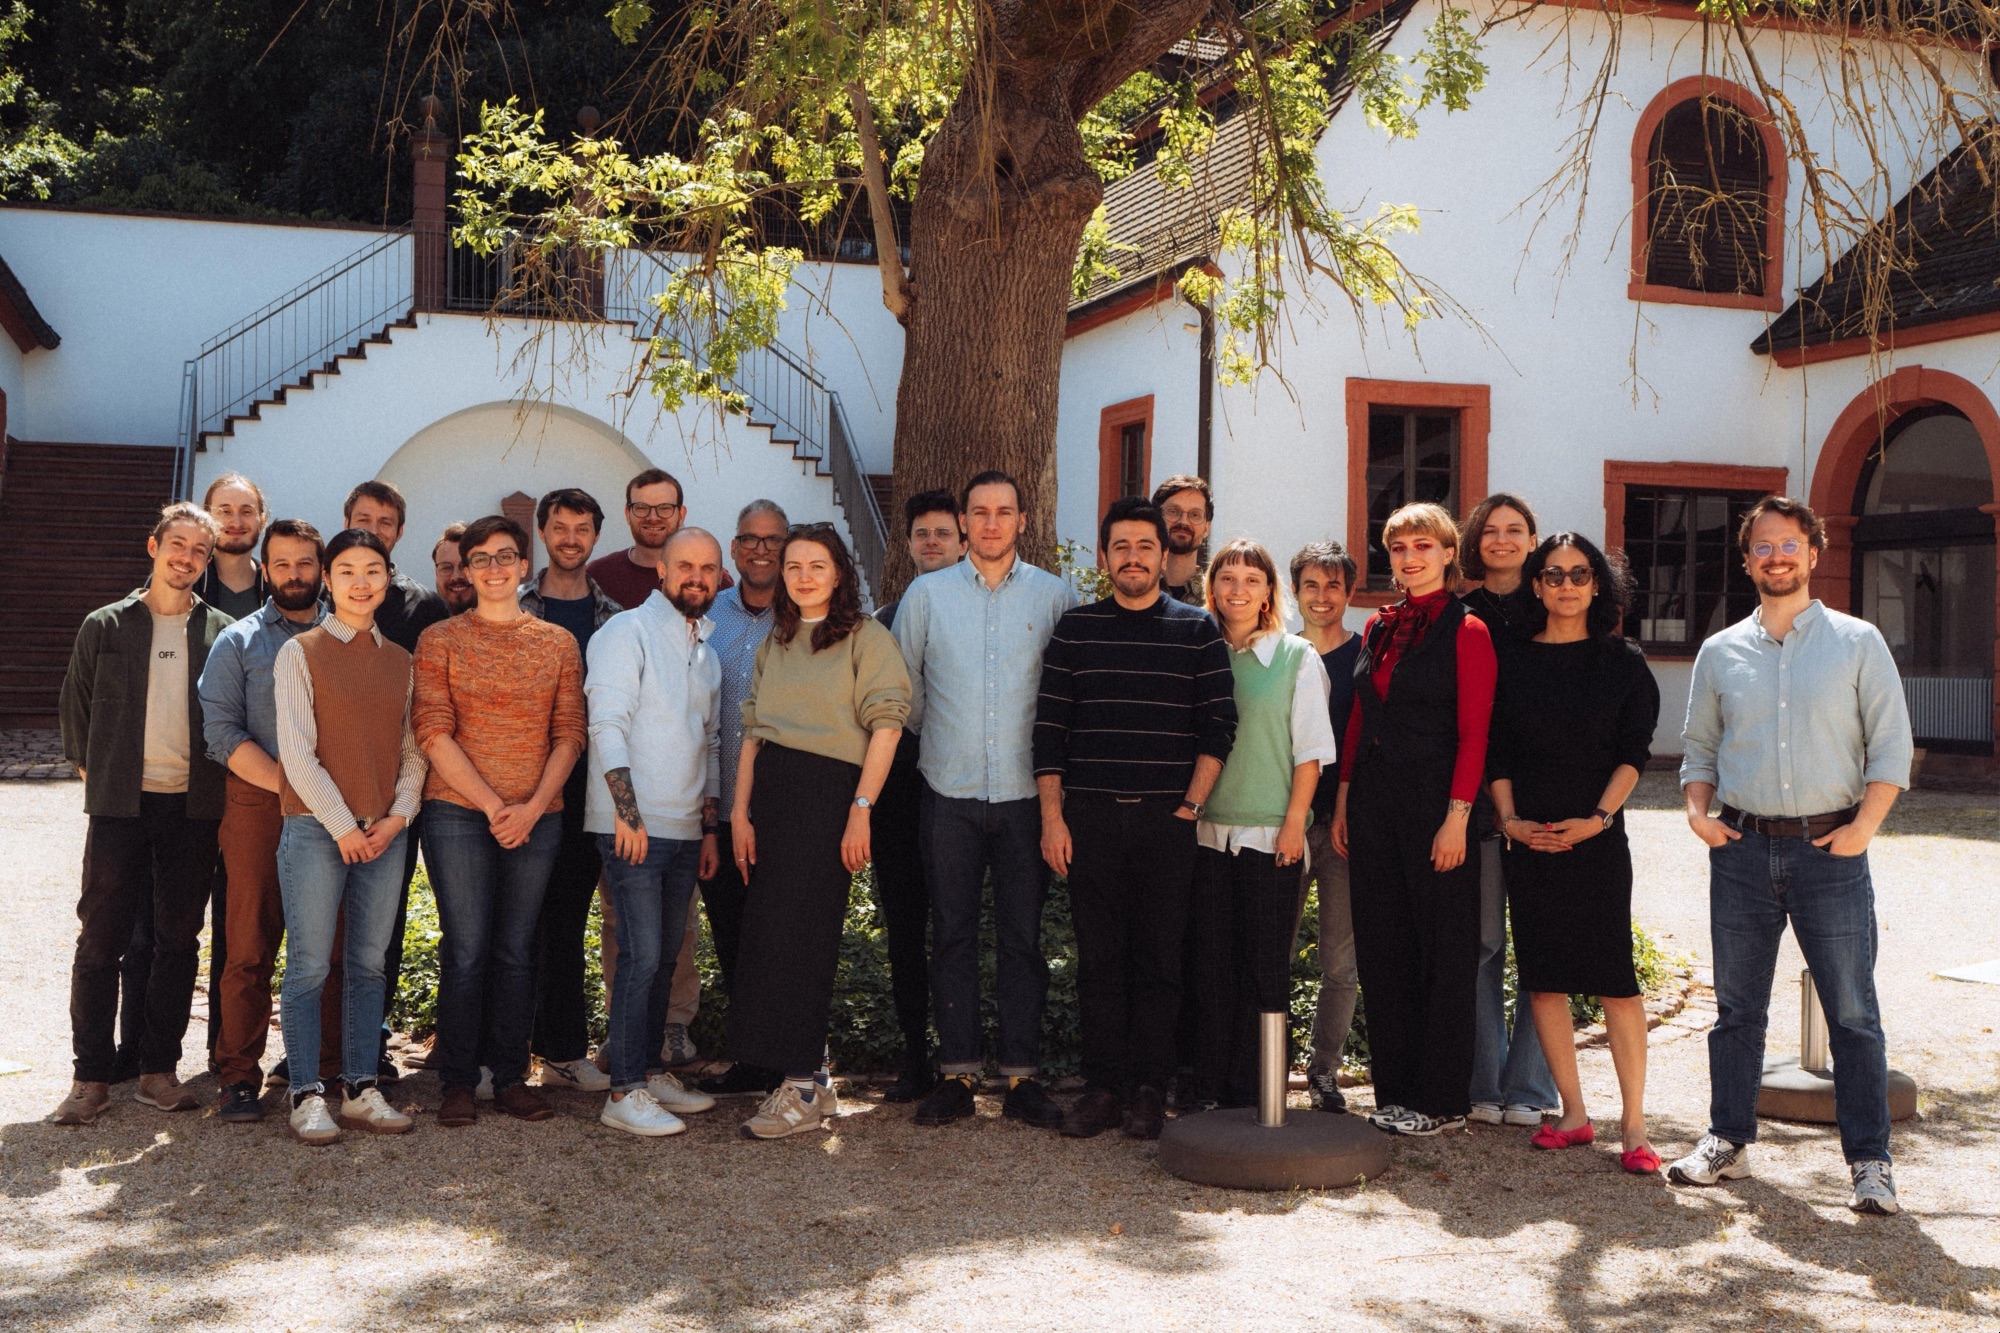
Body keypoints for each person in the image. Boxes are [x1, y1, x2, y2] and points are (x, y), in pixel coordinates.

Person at [1669, 496, 1914, 1216]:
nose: (1775, 556)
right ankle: (1727, 1140)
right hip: (1740, 850)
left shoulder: (1858, 642)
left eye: (1788, 544)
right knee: (1736, 1010)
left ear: (1813, 553)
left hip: (1831, 851)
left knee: (1853, 1013)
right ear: (1747, 559)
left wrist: (1864, 827)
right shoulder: (1720, 651)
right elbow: (1699, 747)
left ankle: (1869, 1162)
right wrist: (1697, 814)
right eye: (1762, 546)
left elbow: (1891, 745)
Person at [1035, 496, 1236, 1140]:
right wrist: (1053, 819)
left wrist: (1189, 808)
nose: (1132, 557)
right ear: (1104, 557)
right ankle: (1102, 1088)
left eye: (1145, 546)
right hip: (1089, 821)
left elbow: (1219, 726)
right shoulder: (1076, 629)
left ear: (1163, 554)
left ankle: (1149, 1088)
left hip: (1165, 824)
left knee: (1159, 961)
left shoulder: (1197, 629)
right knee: (1099, 961)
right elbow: (1049, 730)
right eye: (1120, 546)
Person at [894, 472, 1075, 1130]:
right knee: (952, 936)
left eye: (1004, 511)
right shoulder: (926, 595)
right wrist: (945, 741)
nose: (992, 523)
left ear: (1023, 520)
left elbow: (1066, 694)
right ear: (964, 521)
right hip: (949, 793)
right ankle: (958, 1073)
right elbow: (904, 689)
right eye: (980, 512)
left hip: (1028, 798)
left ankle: (1023, 1076)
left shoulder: (1055, 596)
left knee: (1022, 939)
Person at [725, 523, 910, 1139]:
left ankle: (799, 1087)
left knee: (804, 937)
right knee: (770, 936)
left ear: (839, 574)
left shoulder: (867, 638)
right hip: (771, 795)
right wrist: (740, 813)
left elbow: (887, 727)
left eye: (817, 566)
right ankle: (816, 1076)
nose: (804, 577)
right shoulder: (776, 639)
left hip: (829, 796)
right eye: (794, 566)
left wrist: (861, 809)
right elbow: (754, 731)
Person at [1487, 534, 1661, 1172]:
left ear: (1596, 585)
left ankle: (1635, 1127)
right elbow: (1497, 751)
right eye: (1554, 575)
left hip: (1596, 842)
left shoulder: (1624, 662)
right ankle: (1574, 1114)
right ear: (1536, 585)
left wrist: (1597, 820)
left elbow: (1633, 754)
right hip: (1530, 841)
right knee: (1544, 979)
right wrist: (1511, 822)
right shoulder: (1512, 658)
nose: (1566, 585)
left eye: (1579, 574)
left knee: (1616, 980)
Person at [53, 503, 230, 1125]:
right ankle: (90, 1077)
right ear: (154, 547)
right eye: (178, 545)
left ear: (208, 561)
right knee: (100, 939)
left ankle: (158, 1071)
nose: (187, 558)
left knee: (177, 941)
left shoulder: (220, 632)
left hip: (192, 807)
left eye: (200, 550)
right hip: (119, 807)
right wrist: (97, 773)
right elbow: (75, 709)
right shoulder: (105, 625)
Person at [413, 514, 586, 1128]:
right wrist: (493, 806)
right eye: (480, 558)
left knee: (517, 949)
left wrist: (532, 808)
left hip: (538, 816)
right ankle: (458, 1081)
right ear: (466, 568)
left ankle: (511, 1076)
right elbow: (432, 730)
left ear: (523, 564)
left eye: (504, 556)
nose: (493, 568)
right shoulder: (439, 639)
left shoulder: (557, 643)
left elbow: (570, 733)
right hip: (457, 813)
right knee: (466, 948)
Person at [1331, 501, 1495, 1137]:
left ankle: (1443, 1101)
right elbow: (1358, 720)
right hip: (1373, 803)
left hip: (1437, 806)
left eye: (1423, 545)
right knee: (1383, 946)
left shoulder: (1469, 629)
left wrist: (1457, 819)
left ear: (1449, 553)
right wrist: (1344, 800)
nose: (1410, 556)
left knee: (1442, 949)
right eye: (1399, 547)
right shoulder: (1378, 625)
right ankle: (1395, 1092)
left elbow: (1475, 735)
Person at [272, 527, 428, 1145]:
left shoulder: (402, 661)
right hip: (316, 830)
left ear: (388, 579)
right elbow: (297, 753)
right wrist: (343, 827)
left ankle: (362, 1087)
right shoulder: (300, 652)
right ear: (328, 580)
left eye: (373, 571)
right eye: (347, 571)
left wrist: (397, 817)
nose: (361, 583)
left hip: (384, 834)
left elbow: (413, 751)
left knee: (368, 965)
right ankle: (306, 1093)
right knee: (310, 965)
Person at [198, 519, 343, 1124]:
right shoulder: (239, 642)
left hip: (336, 811)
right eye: (281, 563)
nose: (294, 574)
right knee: (248, 946)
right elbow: (221, 731)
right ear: (265, 570)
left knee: (329, 947)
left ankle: (325, 1070)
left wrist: (327, 795)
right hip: (259, 805)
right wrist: (295, 783)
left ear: (322, 570)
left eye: (305, 563)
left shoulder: (349, 637)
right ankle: (237, 1075)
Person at [585, 528, 728, 1136]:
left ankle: (648, 1070)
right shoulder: (627, 632)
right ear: (661, 571)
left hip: (686, 829)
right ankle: (623, 1091)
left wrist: (710, 829)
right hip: (634, 827)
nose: (696, 576)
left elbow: (710, 743)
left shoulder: (707, 652)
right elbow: (606, 724)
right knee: (640, 955)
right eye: (685, 565)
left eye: (708, 568)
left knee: (665, 958)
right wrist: (628, 813)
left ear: (719, 577)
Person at [1189, 539, 1335, 1109]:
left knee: (1265, 966)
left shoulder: (1297, 657)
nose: (1238, 589)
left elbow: (1310, 753)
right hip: (1207, 832)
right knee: (1212, 966)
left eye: (1252, 579)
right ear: (1212, 588)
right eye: (1227, 578)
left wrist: (1295, 823)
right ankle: (1210, 1089)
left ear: (1269, 592)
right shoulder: (1198, 652)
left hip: (1271, 835)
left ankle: (1260, 1094)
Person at [1457, 493, 1560, 1128]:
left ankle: (1532, 1086)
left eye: (1514, 529)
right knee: (1484, 943)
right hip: (1477, 801)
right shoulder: (1459, 612)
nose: (1502, 540)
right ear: (1475, 541)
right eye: (1490, 530)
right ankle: (1484, 1082)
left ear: (1532, 540)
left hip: (1544, 794)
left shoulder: (1554, 605)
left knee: (1541, 944)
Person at [343, 478, 451, 1079]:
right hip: (325, 785)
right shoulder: (328, 593)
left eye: (386, 522)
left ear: (400, 532)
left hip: (396, 791)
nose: (375, 529)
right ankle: (320, 1044)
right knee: (321, 920)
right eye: (365, 519)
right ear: (347, 522)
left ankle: (371, 1039)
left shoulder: (423, 607)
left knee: (382, 922)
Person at [518, 488, 624, 1094]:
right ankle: (499, 1053)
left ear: (596, 537)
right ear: (542, 532)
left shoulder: (615, 617)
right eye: (560, 527)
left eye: (582, 528)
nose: (570, 538)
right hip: (514, 783)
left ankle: (560, 1051)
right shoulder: (513, 604)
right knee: (509, 923)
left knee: (565, 918)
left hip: (587, 791)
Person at [871, 488, 966, 1103]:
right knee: (906, 930)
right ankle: (915, 1055)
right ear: (907, 544)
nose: (932, 542)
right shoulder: (882, 623)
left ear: (962, 542)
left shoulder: (978, 615)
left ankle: (965, 1055)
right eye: (922, 533)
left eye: (943, 533)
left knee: (959, 929)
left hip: (962, 793)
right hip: (899, 797)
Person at [695, 499, 791, 1099]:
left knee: (782, 938)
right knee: (732, 933)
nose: (761, 550)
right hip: (721, 808)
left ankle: (793, 1057)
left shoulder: (805, 618)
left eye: (772, 540)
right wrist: (710, 820)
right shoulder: (709, 616)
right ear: (734, 549)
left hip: (784, 811)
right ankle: (752, 1058)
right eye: (750, 540)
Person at [1292, 541, 1363, 1113]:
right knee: (1273, 951)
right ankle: (1264, 1067)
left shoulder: (1364, 658)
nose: (1322, 596)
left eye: (1332, 585)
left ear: (1349, 592)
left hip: (1343, 827)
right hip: (1287, 821)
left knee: (1341, 961)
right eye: (1311, 585)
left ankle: (1324, 1073)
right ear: (1295, 592)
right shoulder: (1282, 655)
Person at [585, 466, 735, 611]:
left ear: (681, 515)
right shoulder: (598, 575)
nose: (653, 517)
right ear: (627, 514)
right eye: (642, 508)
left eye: (664, 508)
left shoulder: (711, 581)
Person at [196, 473, 270, 621]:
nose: (236, 523)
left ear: (262, 521)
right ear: (206, 518)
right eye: (225, 511)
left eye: (246, 512)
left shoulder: (278, 586)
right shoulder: (185, 581)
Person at [1152, 475, 1213, 606]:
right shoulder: (1131, 591)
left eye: (1195, 514)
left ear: (1206, 528)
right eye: (1173, 511)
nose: (1184, 522)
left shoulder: (1216, 597)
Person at [432, 522, 475, 614]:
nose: (456, 576)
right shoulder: (421, 621)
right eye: (446, 568)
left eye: (464, 565)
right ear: (436, 573)